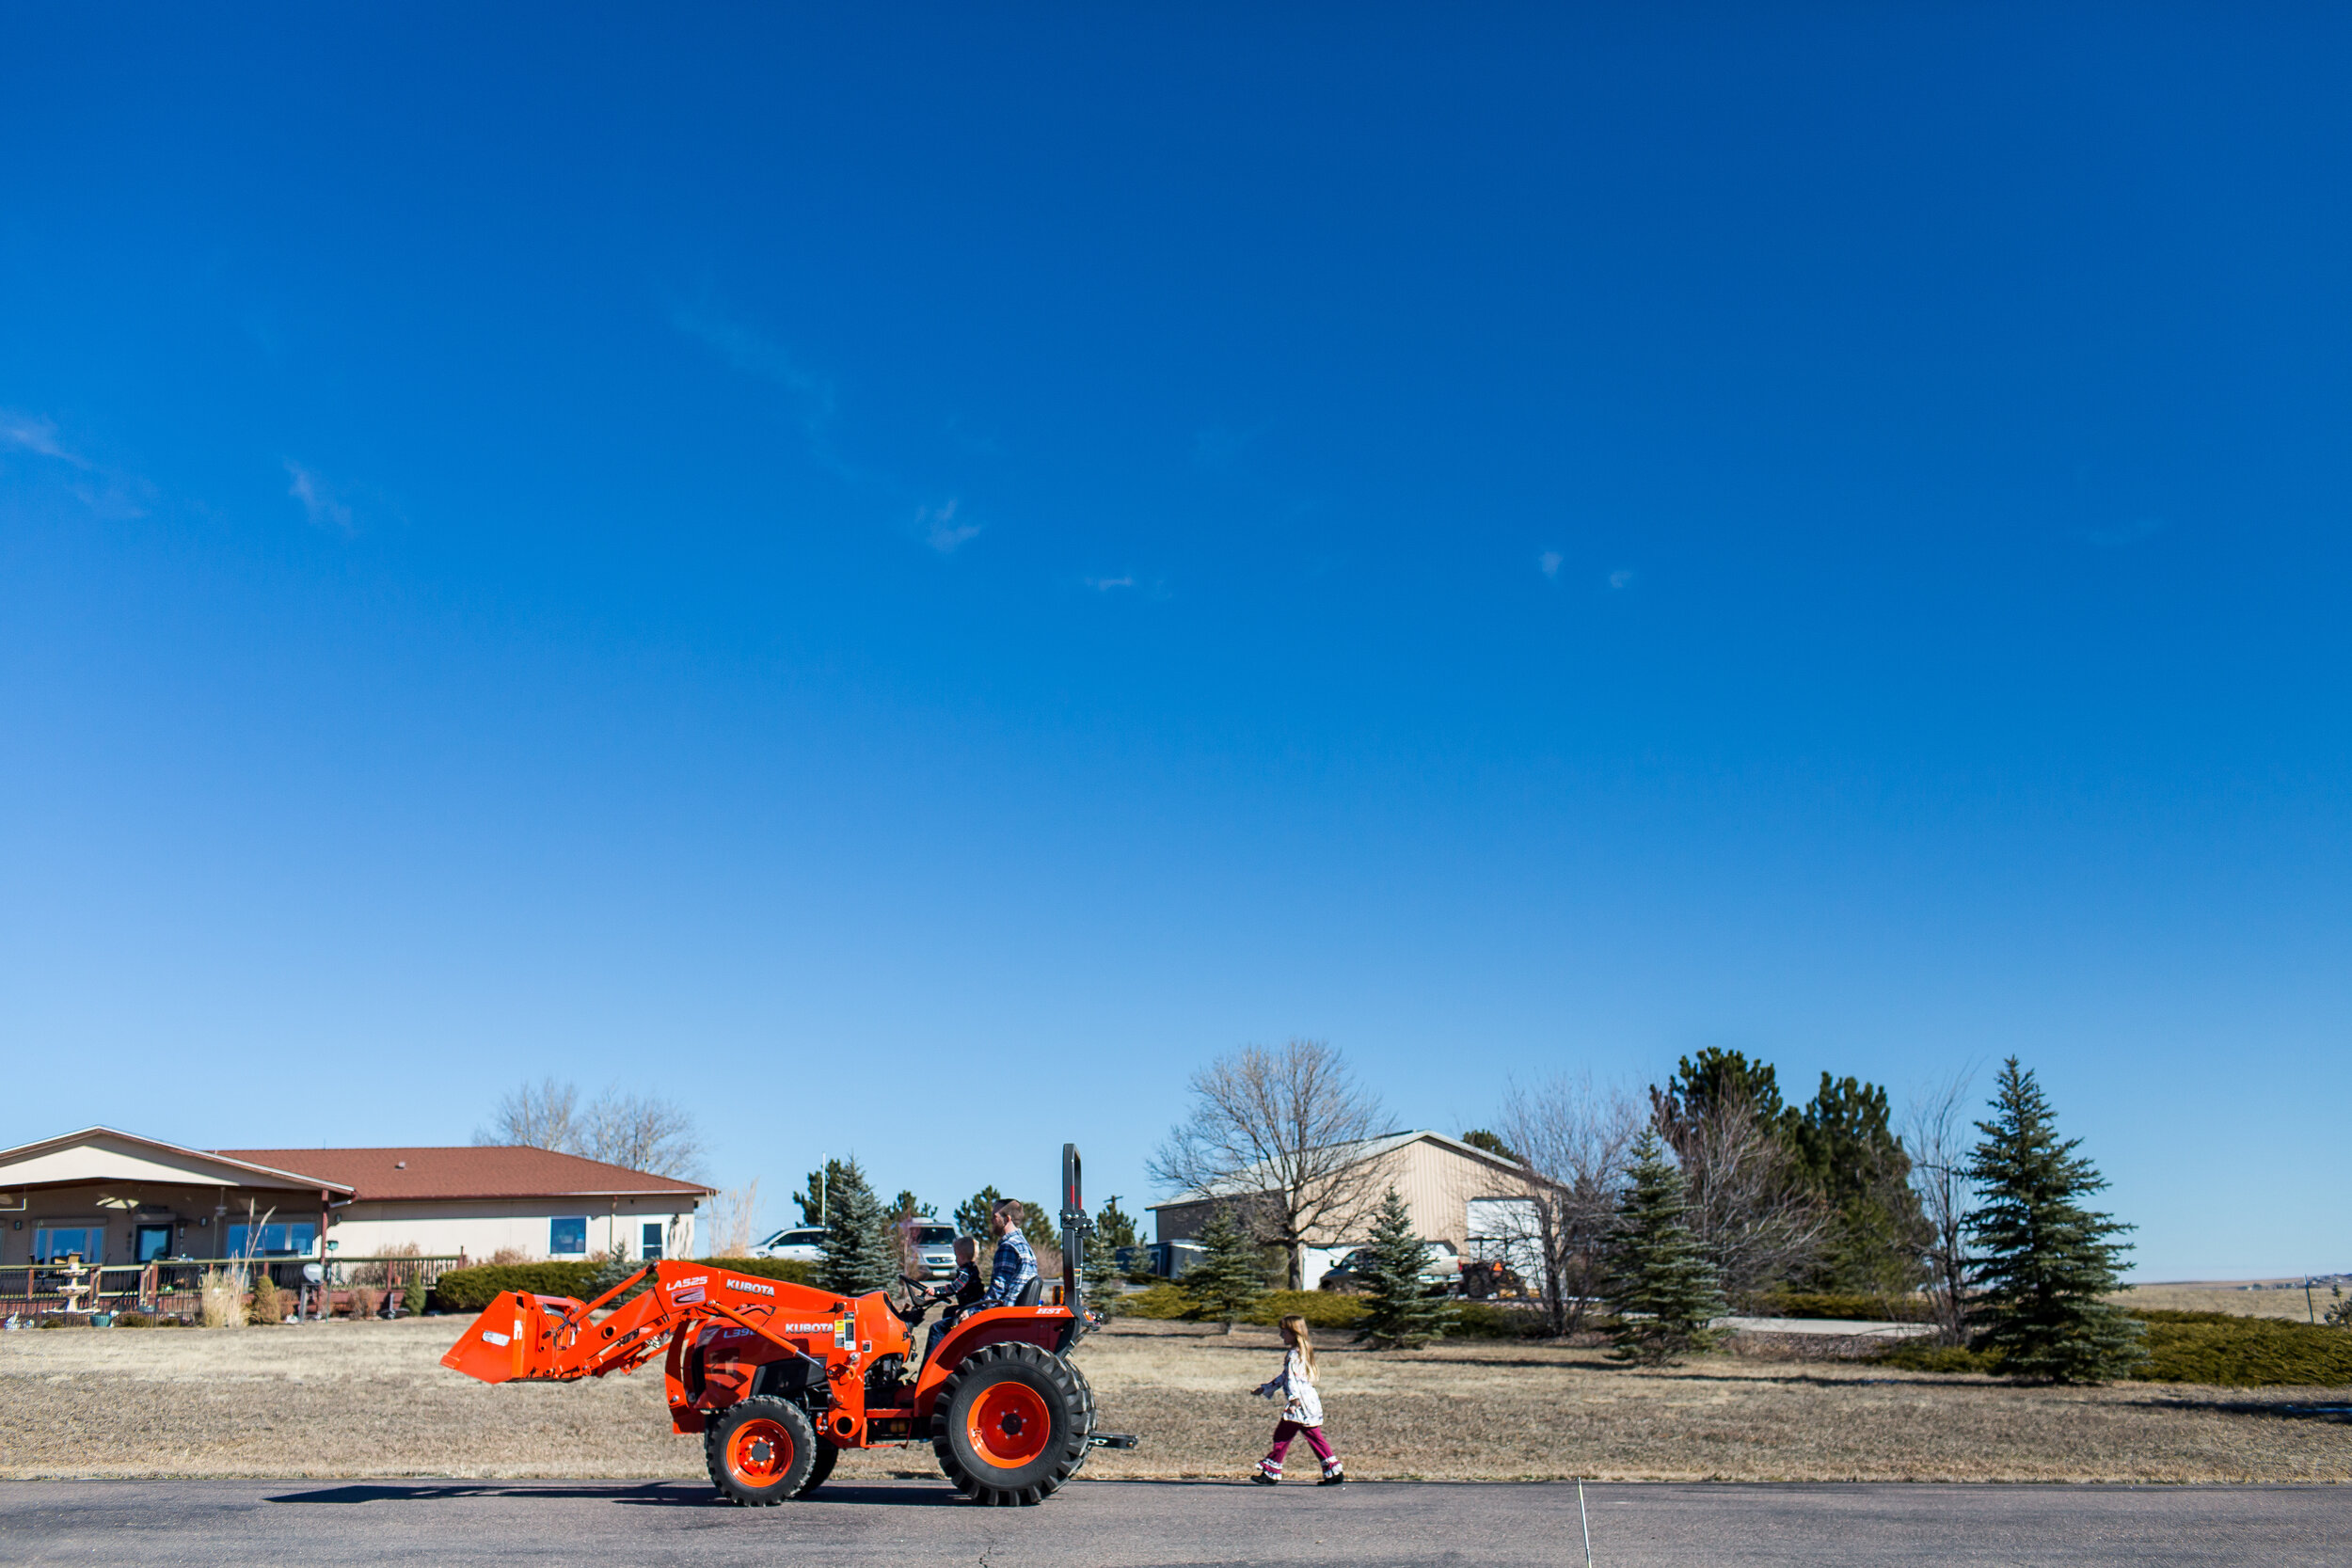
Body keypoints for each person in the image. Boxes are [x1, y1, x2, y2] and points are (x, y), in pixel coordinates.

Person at [1251, 1314, 1343, 1485]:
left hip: (1300, 1404)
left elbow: (1292, 1380)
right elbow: (1285, 1377)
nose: (1281, 1336)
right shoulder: (1301, 1352)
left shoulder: (1294, 1355)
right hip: (1307, 1401)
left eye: (1284, 1332)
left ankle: (1271, 1472)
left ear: (1294, 1333)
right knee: (1312, 1436)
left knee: (1282, 1436)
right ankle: (1333, 1470)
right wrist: (1267, 1387)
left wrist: (1293, 1401)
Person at [920, 1237, 986, 1362]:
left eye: (955, 1255)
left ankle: (930, 1364)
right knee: (948, 1312)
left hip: (970, 1310)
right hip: (971, 1307)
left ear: (960, 1256)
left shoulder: (965, 1272)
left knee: (936, 1328)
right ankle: (949, 1352)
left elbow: (955, 1287)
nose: (955, 1259)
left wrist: (936, 1290)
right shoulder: (972, 1268)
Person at [978, 1197, 1038, 1307]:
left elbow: (998, 1290)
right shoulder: (1023, 1245)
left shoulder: (1008, 1247)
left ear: (1007, 1219)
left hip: (1004, 1315)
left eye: (994, 1217)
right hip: (1015, 1314)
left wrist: (971, 1312)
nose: (991, 1220)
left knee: (944, 1323)